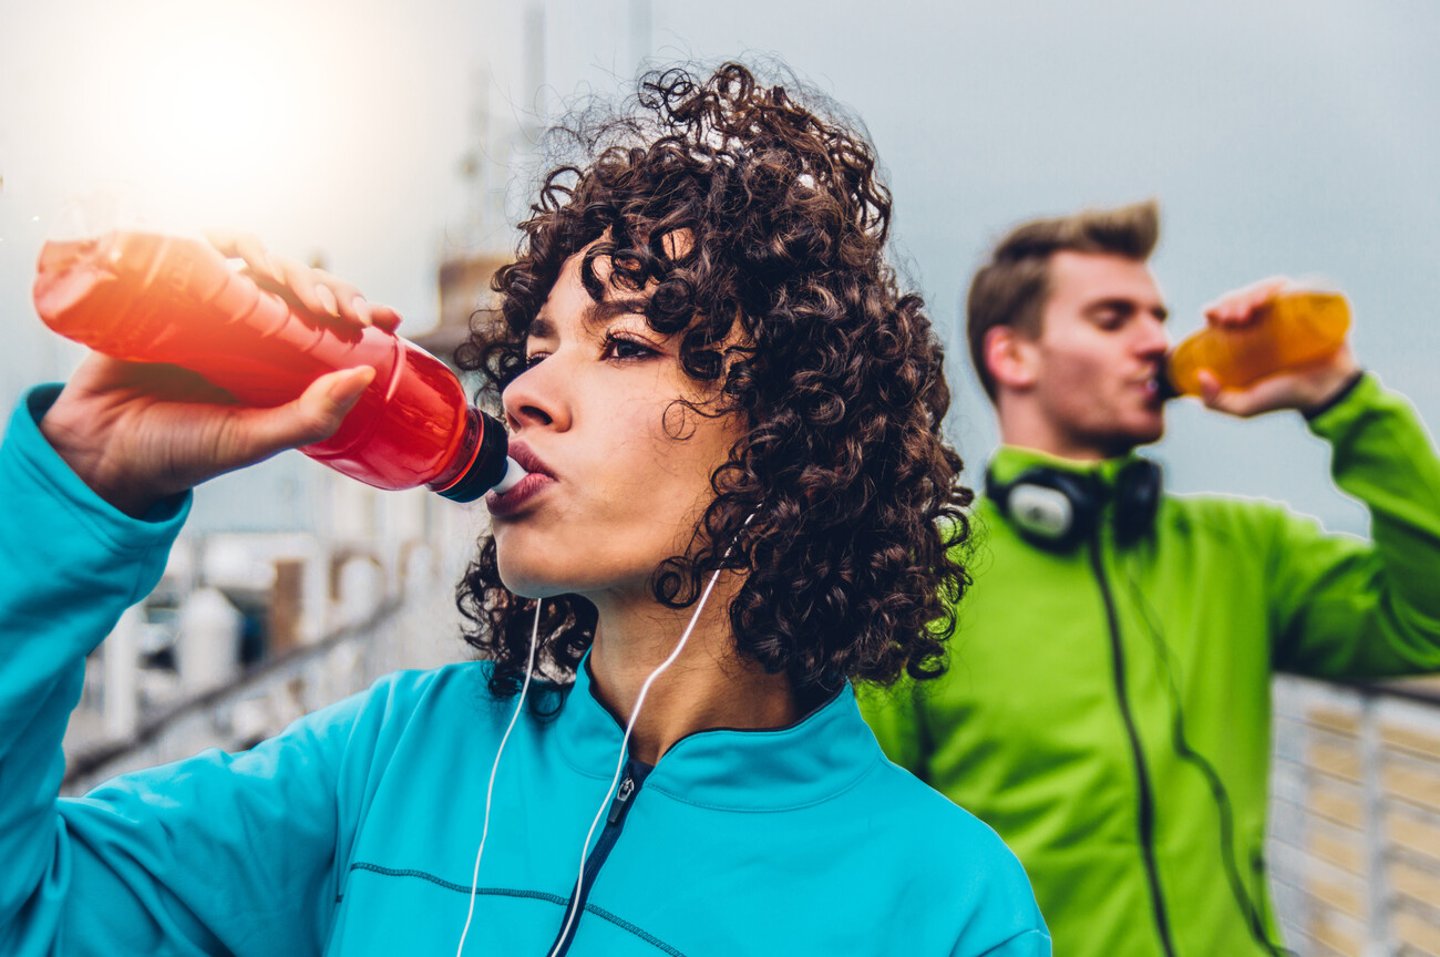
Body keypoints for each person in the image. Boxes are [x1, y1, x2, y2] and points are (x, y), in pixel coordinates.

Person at [0, 63, 1050, 956]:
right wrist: (84, 482)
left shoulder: (946, 902)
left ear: (796, 434)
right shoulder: (392, 759)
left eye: (625, 344)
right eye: (537, 346)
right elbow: (28, 912)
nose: (529, 392)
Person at [860, 199, 1440, 956]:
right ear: (1013, 356)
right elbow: (872, 852)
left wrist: (1341, 395)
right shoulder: (923, 580)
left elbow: (1425, 617)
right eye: (1112, 318)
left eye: (1157, 317)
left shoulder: (1244, 548)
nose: (1156, 343)